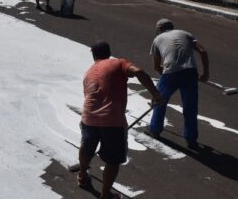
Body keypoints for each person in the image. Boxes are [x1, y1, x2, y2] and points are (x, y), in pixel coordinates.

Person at [78, 41, 162, 199]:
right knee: (112, 160)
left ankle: (82, 176)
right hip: (112, 121)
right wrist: (156, 94)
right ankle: (105, 195)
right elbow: (139, 72)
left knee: (86, 148)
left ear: (94, 55)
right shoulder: (118, 62)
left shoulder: (88, 73)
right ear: (108, 52)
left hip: (88, 117)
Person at [148, 19, 209, 149]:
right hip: (190, 72)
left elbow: (156, 66)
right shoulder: (185, 33)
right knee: (190, 108)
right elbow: (203, 52)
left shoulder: (157, 39)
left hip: (170, 73)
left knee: (159, 102)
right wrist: (205, 74)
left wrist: (165, 79)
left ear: (159, 29)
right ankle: (191, 139)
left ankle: (155, 130)